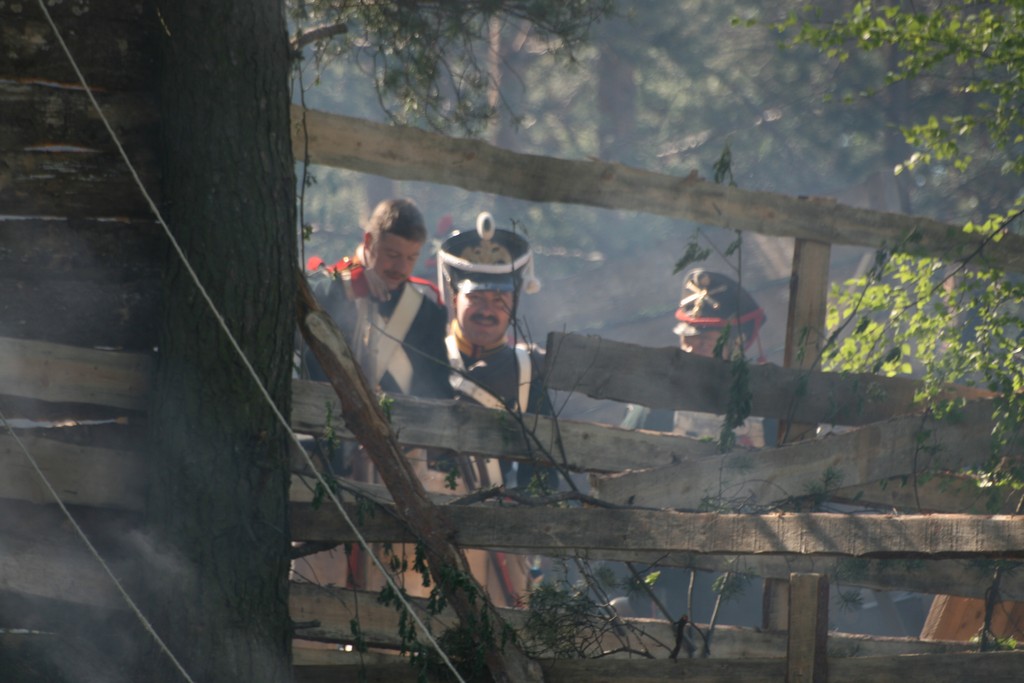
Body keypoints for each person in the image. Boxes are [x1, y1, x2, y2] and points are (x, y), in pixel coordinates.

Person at [437, 212, 556, 492]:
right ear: (455, 299)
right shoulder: (433, 357)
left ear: (513, 303)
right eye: (475, 297)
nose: (487, 310)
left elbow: (541, 479)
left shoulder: (526, 372)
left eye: (499, 299)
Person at [304, 197, 451, 401]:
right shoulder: (333, 284)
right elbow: (299, 299)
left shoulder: (426, 310)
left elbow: (437, 389)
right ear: (369, 242)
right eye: (393, 255)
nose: (402, 268)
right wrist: (347, 287)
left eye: (411, 258)